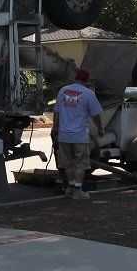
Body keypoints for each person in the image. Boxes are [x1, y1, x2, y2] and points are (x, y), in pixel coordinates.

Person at [53, 68, 103, 201]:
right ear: (87, 81)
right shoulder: (88, 94)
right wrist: (100, 129)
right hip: (79, 136)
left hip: (64, 135)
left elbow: (56, 112)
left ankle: (70, 189)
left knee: (67, 164)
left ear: (75, 78)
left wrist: (55, 128)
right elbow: (96, 115)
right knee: (80, 164)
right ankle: (78, 191)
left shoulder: (63, 91)